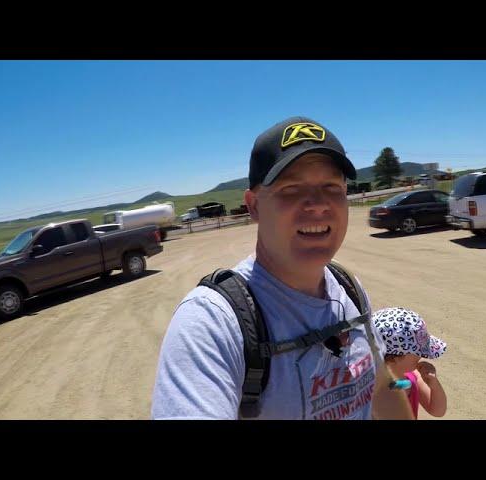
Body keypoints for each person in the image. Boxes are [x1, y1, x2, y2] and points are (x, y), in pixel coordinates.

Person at [152, 116, 412, 420]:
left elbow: (380, 387)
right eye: (291, 189)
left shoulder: (349, 289)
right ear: (253, 206)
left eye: (331, 187)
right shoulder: (211, 322)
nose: (317, 204)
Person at [372, 306, 448, 418]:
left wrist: (434, 385)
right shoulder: (369, 389)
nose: (421, 355)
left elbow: (437, 411)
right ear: (396, 357)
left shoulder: (413, 377)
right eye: (418, 351)